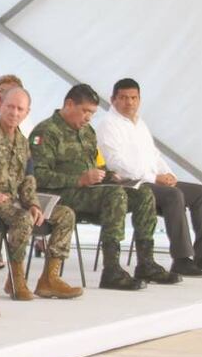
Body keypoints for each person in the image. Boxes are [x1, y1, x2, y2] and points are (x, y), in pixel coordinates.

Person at [31, 84, 180, 290]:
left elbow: (94, 166)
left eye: (92, 113)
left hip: (89, 190)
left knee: (143, 193)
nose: (88, 117)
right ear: (69, 104)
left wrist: (109, 175)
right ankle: (111, 270)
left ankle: (146, 263)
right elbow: (38, 175)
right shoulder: (46, 131)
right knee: (115, 195)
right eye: (85, 111)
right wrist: (79, 179)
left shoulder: (87, 132)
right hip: (59, 195)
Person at [0, 87, 81, 300]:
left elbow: (28, 178)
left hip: (14, 202)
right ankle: (16, 279)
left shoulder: (23, 142)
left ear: (27, 112)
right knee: (23, 219)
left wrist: (33, 203)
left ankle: (49, 279)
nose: (14, 112)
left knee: (65, 214)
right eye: (10, 107)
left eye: (20, 109)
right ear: (1, 106)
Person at [96, 78, 202, 277]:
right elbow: (116, 163)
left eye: (134, 98)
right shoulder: (108, 125)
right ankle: (181, 259)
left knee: (199, 193)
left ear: (139, 99)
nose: (129, 102)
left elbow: (154, 154)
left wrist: (168, 173)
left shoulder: (139, 123)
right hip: (130, 184)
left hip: (155, 180)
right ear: (113, 99)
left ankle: (201, 258)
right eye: (124, 98)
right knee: (174, 195)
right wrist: (154, 178)